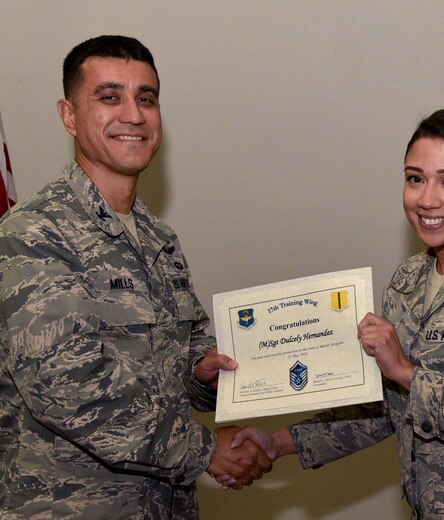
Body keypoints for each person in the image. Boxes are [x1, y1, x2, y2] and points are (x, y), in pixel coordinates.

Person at [227, 109, 444, 518]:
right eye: (415, 179)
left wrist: (408, 374)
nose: (427, 199)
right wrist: (281, 443)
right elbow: (387, 409)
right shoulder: (406, 283)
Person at [0, 35, 270, 519]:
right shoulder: (34, 234)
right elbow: (68, 389)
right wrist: (205, 451)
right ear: (68, 115)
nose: (134, 114)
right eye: (110, 97)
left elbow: (184, 363)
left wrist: (205, 373)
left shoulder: (158, 238)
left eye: (146, 98)